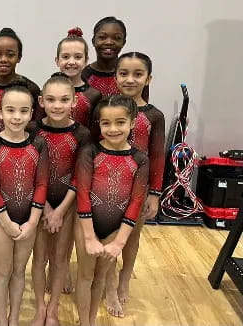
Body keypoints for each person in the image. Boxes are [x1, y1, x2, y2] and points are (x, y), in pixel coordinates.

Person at [0, 27, 43, 292]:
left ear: (19, 57)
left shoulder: (31, 87)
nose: (3, 59)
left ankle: (14, 266)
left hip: (21, 160)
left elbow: (34, 129)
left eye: (10, 54)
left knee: (17, 211)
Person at [75, 95, 148, 326]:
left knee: (101, 277)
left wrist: (119, 242)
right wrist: (89, 236)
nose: (113, 129)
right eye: (106, 123)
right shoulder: (90, 152)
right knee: (85, 276)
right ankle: (84, 322)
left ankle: (92, 320)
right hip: (87, 223)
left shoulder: (140, 159)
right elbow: (83, 192)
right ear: (99, 124)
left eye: (120, 122)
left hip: (117, 227)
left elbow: (135, 202)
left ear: (132, 122)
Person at [104, 52, 165, 317]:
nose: (130, 79)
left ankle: (124, 278)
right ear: (115, 76)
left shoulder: (154, 115)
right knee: (108, 236)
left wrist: (155, 192)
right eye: (124, 73)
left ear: (148, 78)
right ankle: (107, 286)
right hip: (106, 185)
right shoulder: (106, 109)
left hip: (138, 187)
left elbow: (158, 155)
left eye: (138, 74)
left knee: (131, 237)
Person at [0, 86, 49, 326]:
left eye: (23, 111)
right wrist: (6, 222)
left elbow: (41, 184)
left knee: (20, 271)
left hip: (28, 219)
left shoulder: (38, 144)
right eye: (10, 110)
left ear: (32, 113)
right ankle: (1, 320)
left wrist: (32, 221)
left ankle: (13, 319)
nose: (16, 116)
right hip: (1, 221)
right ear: (0, 113)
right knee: (2, 272)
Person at [29, 73, 90, 326]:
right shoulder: (33, 130)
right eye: (51, 99)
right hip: (39, 204)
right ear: (41, 101)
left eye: (64, 99)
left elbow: (79, 176)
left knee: (60, 259)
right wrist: (45, 209)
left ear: (74, 101)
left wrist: (60, 210)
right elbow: (31, 173)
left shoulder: (82, 134)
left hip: (67, 204)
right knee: (39, 257)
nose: (57, 105)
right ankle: (40, 308)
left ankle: (53, 308)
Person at [55, 27, 101, 128]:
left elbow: (95, 131)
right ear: (57, 60)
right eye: (66, 57)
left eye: (78, 57)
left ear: (86, 60)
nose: (71, 62)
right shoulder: (48, 92)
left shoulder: (93, 95)